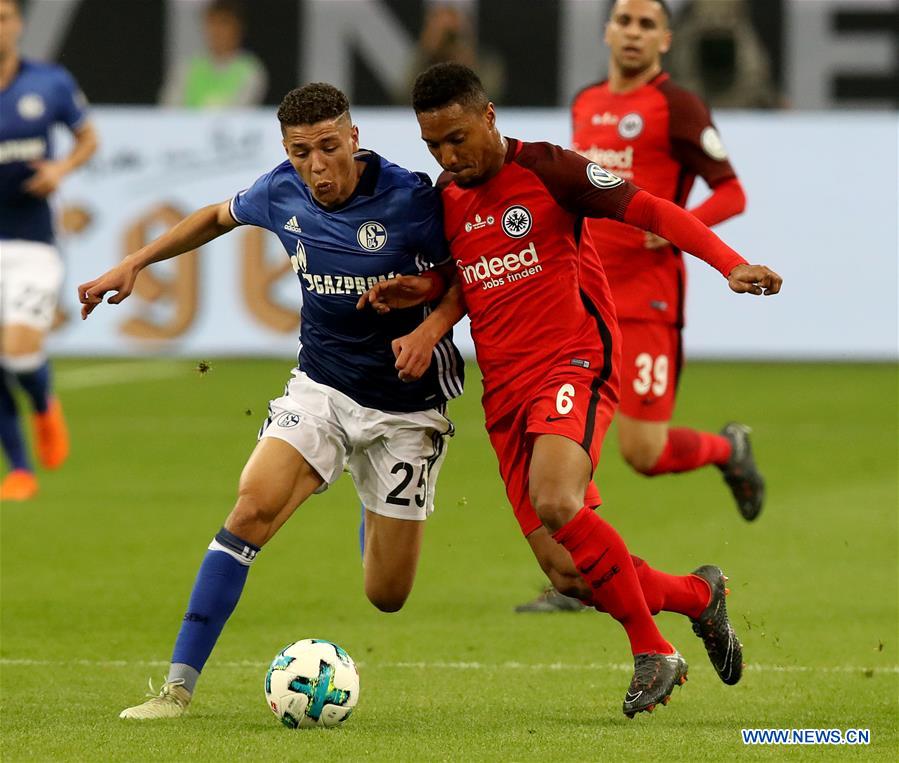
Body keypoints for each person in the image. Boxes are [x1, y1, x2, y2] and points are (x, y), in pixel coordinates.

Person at [359, 62, 781, 717]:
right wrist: (423, 303)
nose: (448, 155)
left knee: (555, 497)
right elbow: (465, 279)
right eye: (433, 146)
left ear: (488, 115)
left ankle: (652, 648)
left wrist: (729, 264)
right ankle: (700, 598)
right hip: (504, 395)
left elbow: (654, 209)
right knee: (567, 573)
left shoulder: (551, 169)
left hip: (573, 361)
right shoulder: (446, 196)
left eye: (457, 137)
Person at [78, 82, 464, 719]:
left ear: (355, 139)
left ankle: (369, 494)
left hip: (405, 408)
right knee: (252, 507)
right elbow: (214, 217)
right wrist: (136, 262)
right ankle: (176, 690)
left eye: (329, 148)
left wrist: (427, 324)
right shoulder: (280, 188)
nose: (316, 166)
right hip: (322, 386)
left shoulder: (413, 199)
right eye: (301, 151)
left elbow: (466, 275)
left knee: (387, 595)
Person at [517, 0, 764, 614]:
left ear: (665, 39)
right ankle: (581, 571)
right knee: (567, 431)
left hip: (649, 297)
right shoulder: (585, 101)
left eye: (646, 24)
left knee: (643, 454)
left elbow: (732, 191)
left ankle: (728, 450)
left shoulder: (676, 106)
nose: (633, 32)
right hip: (580, 296)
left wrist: (678, 227)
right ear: (606, 31)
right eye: (624, 21)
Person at [0, 0, 98, 501]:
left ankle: (42, 404)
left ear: (16, 24)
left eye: (2, 16)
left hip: (32, 242)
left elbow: (88, 138)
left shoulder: (49, 82)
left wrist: (60, 170)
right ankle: (19, 469)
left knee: (17, 356)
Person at [159, 0, 268, 108]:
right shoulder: (188, 67)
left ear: (238, 28)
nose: (217, 31)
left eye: (224, 24)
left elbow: (241, 109)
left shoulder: (251, 70)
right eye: (212, 24)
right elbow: (169, 106)